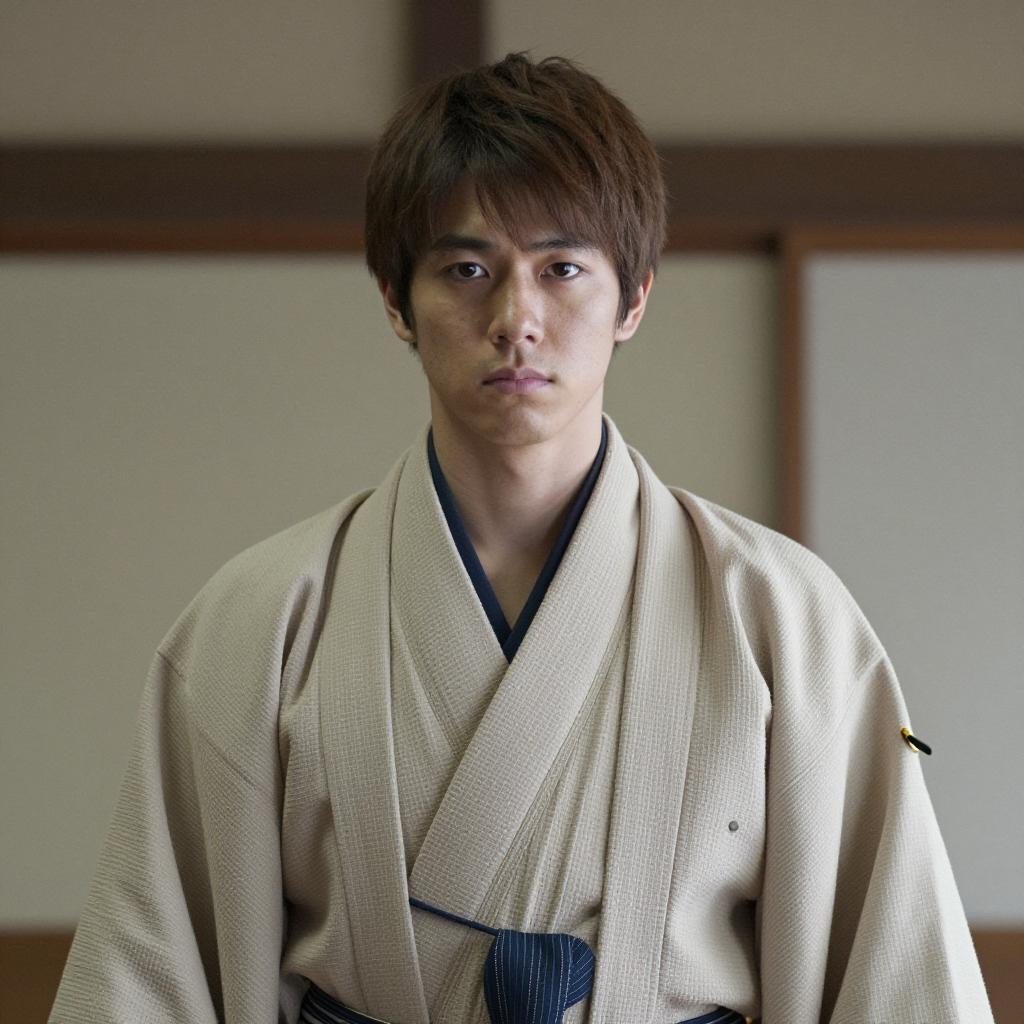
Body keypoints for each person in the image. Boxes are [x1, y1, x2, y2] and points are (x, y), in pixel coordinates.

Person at [50, 52, 994, 1024]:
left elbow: (893, 973)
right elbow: (151, 974)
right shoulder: (257, 620)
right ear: (393, 301)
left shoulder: (785, 619)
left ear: (632, 298)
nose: (515, 320)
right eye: (466, 269)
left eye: (562, 269)